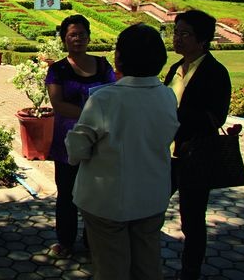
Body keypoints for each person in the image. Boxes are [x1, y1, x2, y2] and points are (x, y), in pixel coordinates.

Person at [66, 23, 179, 280]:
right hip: (152, 196)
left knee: (111, 268)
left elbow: (78, 149)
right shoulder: (167, 95)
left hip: (108, 201)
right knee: (147, 265)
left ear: (120, 58)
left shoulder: (105, 98)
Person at [163, 10, 232, 280]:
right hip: (166, 154)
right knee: (152, 207)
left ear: (202, 39)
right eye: (175, 32)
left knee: (192, 220)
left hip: (195, 155)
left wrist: (173, 113)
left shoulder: (215, 72)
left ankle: (190, 271)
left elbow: (216, 117)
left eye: (184, 33)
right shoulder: (174, 68)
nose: (177, 38)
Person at [44, 14, 116, 258]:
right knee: (66, 193)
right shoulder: (58, 69)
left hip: (99, 140)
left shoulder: (103, 66)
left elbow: (114, 97)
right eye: (72, 35)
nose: (78, 39)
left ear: (89, 37)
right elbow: (58, 104)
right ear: (64, 39)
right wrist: (92, 112)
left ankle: (92, 241)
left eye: (82, 34)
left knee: (97, 193)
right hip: (68, 141)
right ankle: (65, 241)